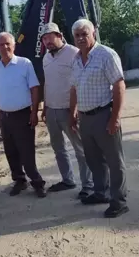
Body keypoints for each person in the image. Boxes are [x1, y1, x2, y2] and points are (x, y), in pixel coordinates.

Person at [69, 19, 129, 218]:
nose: (80, 38)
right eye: (77, 35)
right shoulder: (76, 60)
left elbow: (119, 86)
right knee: (94, 160)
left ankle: (119, 201)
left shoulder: (106, 55)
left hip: (104, 115)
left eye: (84, 34)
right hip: (86, 119)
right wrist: (73, 113)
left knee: (114, 160)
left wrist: (115, 118)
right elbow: (75, 88)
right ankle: (100, 192)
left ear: (93, 32)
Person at [39, 23, 94, 199]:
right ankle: (67, 180)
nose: (47, 41)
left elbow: (78, 83)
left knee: (81, 149)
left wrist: (74, 110)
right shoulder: (46, 58)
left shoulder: (73, 53)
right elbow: (48, 83)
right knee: (58, 148)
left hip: (69, 111)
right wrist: (45, 106)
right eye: (44, 38)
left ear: (60, 35)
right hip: (52, 110)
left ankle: (89, 185)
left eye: (50, 37)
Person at [0, 32, 46, 198]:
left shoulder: (24, 64)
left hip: (22, 115)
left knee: (26, 152)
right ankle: (19, 180)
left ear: (14, 45)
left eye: (8, 44)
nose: (5, 47)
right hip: (5, 117)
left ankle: (37, 182)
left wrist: (34, 112)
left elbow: (34, 89)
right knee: (11, 152)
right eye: (1, 45)